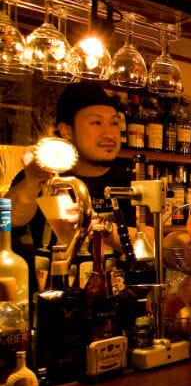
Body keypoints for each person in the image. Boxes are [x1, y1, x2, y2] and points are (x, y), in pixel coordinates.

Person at [8, 81, 140, 268]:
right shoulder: (41, 175)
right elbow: (9, 222)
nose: (110, 133)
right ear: (67, 131)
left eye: (114, 123)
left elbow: (151, 244)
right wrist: (31, 181)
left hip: (113, 286)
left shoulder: (131, 182)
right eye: (96, 122)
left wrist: (98, 225)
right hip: (45, 285)